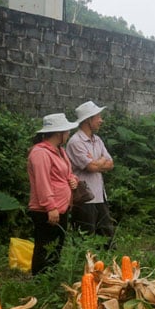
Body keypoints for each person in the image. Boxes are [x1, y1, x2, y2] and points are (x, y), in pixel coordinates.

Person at [28, 113, 79, 275]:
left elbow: (67, 173)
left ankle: (50, 278)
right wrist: (50, 207)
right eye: (67, 131)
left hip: (61, 208)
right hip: (47, 210)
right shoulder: (40, 153)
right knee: (45, 247)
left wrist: (73, 180)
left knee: (56, 246)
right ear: (59, 133)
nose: (68, 134)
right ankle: (40, 280)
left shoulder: (60, 151)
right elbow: (42, 182)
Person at [66, 100, 115, 244]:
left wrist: (95, 162)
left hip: (100, 195)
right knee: (85, 238)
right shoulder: (76, 142)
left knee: (107, 237)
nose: (101, 120)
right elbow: (91, 167)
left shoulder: (97, 140)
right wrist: (99, 161)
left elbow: (111, 163)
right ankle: (85, 265)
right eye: (98, 117)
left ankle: (106, 265)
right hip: (84, 197)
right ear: (88, 120)